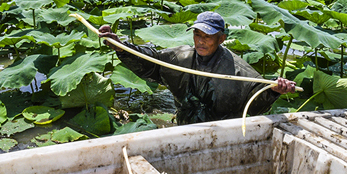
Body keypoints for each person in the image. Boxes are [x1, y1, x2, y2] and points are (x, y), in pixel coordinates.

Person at [98, 11, 296, 125]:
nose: (201, 41)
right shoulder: (180, 57)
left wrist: (273, 91)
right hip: (184, 124)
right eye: (197, 35)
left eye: (207, 36)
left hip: (221, 131)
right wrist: (121, 47)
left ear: (221, 38)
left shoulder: (238, 72)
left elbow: (254, 105)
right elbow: (150, 63)